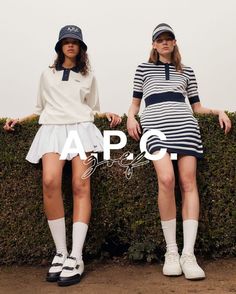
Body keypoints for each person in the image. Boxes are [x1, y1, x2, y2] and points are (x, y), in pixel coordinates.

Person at [4, 25, 121, 287]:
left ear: (81, 47)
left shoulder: (89, 76)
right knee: (50, 182)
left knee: (81, 185)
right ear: (59, 47)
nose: (70, 46)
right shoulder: (46, 75)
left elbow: (92, 110)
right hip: (52, 130)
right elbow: (40, 108)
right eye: (66, 42)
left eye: (75, 42)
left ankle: (76, 256)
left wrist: (108, 114)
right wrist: (19, 119)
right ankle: (61, 252)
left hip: (81, 129)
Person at [127, 23, 231, 280]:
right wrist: (131, 117)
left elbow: (197, 107)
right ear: (153, 44)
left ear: (174, 43)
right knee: (166, 179)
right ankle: (171, 251)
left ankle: (188, 254)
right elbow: (135, 105)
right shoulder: (143, 69)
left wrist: (218, 111)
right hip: (155, 127)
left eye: (169, 39)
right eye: (160, 39)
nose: (164, 43)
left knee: (188, 183)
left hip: (185, 125)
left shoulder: (187, 71)